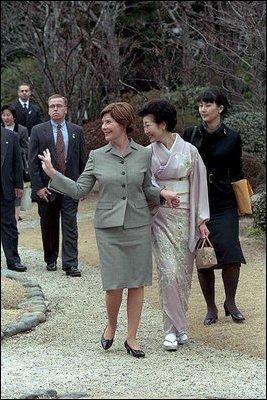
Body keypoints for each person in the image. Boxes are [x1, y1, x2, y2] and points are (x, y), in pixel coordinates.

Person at [38, 101, 180, 357]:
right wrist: (53, 173)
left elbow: (147, 187)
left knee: (137, 283)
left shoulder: (143, 154)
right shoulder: (96, 156)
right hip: (108, 228)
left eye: (108, 122)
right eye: (103, 122)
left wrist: (163, 193)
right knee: (114, 284)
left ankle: (132, 338)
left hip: (138, 224)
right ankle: (111, 325)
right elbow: (80, 190)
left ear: (123, 124)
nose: (103, 126)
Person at [138, 99, 210, 351]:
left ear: (163, 123)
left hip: (186, 217)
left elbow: (199, 184)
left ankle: (180, 328)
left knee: (183, 275)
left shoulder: (189, 150)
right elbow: (145, 185)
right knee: (167, 272)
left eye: (148, 125)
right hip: (160, 217)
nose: (145, 130)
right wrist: (161, 193)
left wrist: (201, 219)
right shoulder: (147, 153)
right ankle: (170, 331)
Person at [182, 86, 246, 325]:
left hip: (223, 200)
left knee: (231, 252)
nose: (203, 109)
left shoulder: (233, 135)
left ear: (220, 108)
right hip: (198, 200)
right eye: (200, 105)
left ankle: (230, 301)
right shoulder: (190, 134)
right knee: (203, 254)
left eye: (208, 104)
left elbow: (237, 171)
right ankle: (211, 308)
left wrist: (242, 202)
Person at [28, 94, 87, 277]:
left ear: (66, 108)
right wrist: (38, 186)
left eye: (59, 106)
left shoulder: (77, 131)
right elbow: (32, 162)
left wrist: (83, 186)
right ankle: (51, 259)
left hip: (70, 186)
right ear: (48, 109)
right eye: (52, 106)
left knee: (70, 225)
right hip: (47, 188)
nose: (55, 109)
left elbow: (82, 160)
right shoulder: (38, 130)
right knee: (49, 225)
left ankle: (70, 264)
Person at [1, 126, 28, 272]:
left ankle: (13, 260)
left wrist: (19, 184)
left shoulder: (10, 136)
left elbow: (17, 162)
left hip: (5, 188)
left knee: (9, 226)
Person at [1, 103, 29, 225]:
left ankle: (15, 219)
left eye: (8, 115)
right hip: (4, 166)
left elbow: (26, 148)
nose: (6, 118)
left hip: (17, 165)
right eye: (3, 115)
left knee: (16, 195)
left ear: (14, 116)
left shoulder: (21, 130)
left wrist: (15, 150)